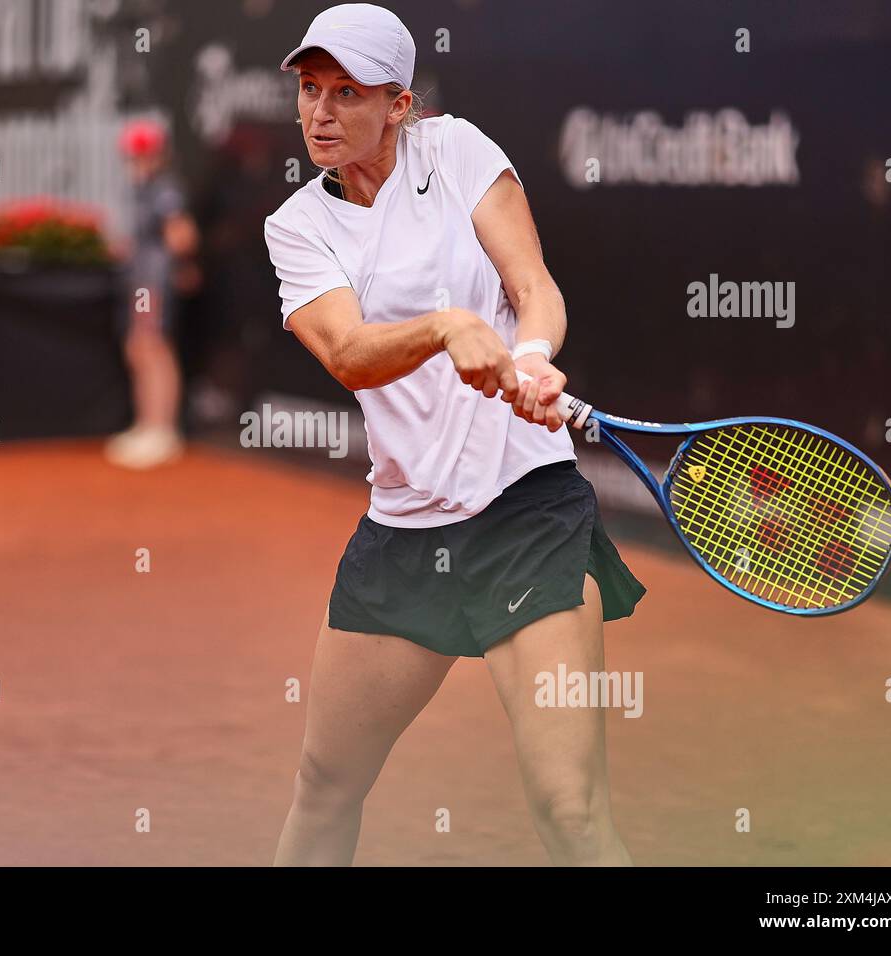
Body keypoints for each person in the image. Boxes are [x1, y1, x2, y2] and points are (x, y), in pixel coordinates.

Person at [262, 3, 647, 865]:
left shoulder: (460, 150)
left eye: (347, 94)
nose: (320, 113)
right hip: (403, 532)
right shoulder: (298, 226)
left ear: (399, 104)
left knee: (568, 808)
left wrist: (534, 355)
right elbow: (350, 355)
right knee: (324, 788)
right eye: (310, 90)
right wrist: (446, 327)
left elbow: (533, 287)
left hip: (526, 516)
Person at [105, 118, 200, 469]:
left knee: (152, 346)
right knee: (139, 348)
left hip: (153, 282)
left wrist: (177, 263)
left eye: (144, 154)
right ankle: (147, 425)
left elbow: (183, 236)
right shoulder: (142, 188)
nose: (138, 161)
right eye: (134, 155)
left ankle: (162, 431)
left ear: (159, 155)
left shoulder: (165, 189)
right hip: (140, 280)